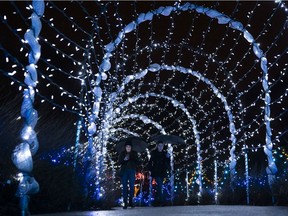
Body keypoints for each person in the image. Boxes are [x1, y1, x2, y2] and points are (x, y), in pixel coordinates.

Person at [148, 141, 170, 206]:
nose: (160, 147)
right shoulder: (154, 153)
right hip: (156, 171)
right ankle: (161, 201)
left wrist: (168, 157)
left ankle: (156, 201)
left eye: (162, 146)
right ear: (157, 146)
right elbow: (150, 162)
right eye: (159, 146)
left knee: (159, 187)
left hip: (162, 172)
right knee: (160, 185)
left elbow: (167, 163)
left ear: (163, 146)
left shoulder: (164, 153)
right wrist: (151, 170)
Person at [118, 142, 139, 209]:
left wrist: (132, 158)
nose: (128, 148)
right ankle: (125, 203)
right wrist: (124, 159)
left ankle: (131, 201)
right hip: (124, 171)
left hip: (132, 171)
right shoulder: (122, 153)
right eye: (127, 147)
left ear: (131, 147)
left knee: (132, 186)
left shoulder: (134, 153)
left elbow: (137, 161)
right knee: (124, 187)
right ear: (125, 147)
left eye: (129, 147)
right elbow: (120, 162)